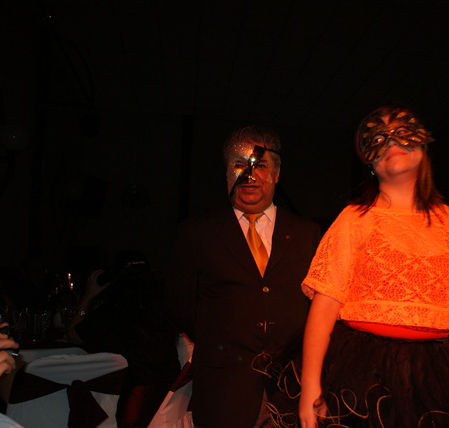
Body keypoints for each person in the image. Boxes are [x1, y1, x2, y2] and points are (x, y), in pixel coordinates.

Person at [266, 105, 449, 427]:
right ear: (369, 160)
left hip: (436, 375)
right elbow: (324, 306)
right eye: (378, 138)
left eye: (403, 133)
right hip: (364, 374)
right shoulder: (354, 220)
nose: (391, 141)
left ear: (423, 147)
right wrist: (311, 387)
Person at [165, 125, 322, 427]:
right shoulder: (197, 234)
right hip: (223, 390)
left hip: (291, 390)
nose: (249, 175)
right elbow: (179, 306)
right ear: (226, 173)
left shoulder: (307, 234)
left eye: (259, 165)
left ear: (276, 173)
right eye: (239, 165)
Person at [65, 252, 181, 428]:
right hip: (166, 408)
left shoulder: (113, 312)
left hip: (124, 409)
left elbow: (72, 334)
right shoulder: (166, 311)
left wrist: (88, 296)